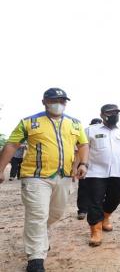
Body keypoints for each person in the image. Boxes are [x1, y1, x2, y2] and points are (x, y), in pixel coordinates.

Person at [0, 88, 89, 272]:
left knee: (55, 214)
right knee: (37, 215)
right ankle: (35, 259)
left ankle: (40, 236)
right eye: (54, 99)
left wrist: (83, 164)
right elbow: (12, 144)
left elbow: (83, 144)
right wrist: (0, 169)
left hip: (63, 177)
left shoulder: (75, 124)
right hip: (35, 177)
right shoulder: (29, 122)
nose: (59, 103)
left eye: (62, 100)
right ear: (44, 101)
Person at [85, 104, 120, 247]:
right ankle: (96, 231)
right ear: (102, 114)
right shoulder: (90, 130)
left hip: (117, 172)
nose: (114, 115)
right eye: (111, 112)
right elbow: (83, 149)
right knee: (95, 201)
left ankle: (105, 218)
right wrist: (80, 165)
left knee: (115, 199)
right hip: (95, 172)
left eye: (116, 112)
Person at [76, 118, 102, 220]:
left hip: (88, 166)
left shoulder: (86, 131)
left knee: (84, 189)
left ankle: (83, 210)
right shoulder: (87, 131)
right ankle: (84, 210)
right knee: (94, 190)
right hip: (87, 165)